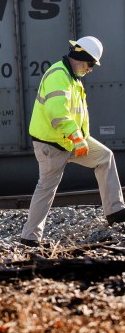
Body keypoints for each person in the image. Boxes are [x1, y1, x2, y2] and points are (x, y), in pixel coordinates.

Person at [20, 36, 125, 247]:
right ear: (81, 57)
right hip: (53, 144)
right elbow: (57, 115)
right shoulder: (58, 76)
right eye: (91, 64)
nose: (91, 69)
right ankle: (29, 238)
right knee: (47, 188)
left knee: (104, 157)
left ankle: (116, 212)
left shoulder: (71, 77)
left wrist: (79, 138)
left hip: (70, 140)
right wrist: (77, 138)